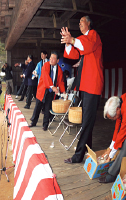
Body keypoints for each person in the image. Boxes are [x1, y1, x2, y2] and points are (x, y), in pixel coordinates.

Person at [61, 16, 104, 164]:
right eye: (78, 22)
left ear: (89, 23)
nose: (79, 23)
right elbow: (73, 54)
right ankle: (87, 148)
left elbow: (87, 46)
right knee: (87, 119)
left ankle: (78, 156)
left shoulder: (93, 35)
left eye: (82, 21)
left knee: (86, 121)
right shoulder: (81, 39)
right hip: (85, 84)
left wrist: (72, 40)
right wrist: (68, 43)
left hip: (93, 83)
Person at [29, 52, 66, 131]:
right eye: (51, 58)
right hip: (43, 89)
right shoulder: (45, 65)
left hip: (51, 92)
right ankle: (33, 122)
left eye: (53, 58)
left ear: (58, 60)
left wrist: (63, 92)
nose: (51, 60)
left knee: (47, 108)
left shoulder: (59, 70)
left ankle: (45, 124)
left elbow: (61, 82)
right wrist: (52, 87)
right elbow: (46, 77)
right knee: (38, 106)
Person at [98, 94, 126, 183]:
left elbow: (122, 133)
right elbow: (117, 129)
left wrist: (110, 156)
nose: (113, 119)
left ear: (117, 109)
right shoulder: (120, 102)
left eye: (113, 117)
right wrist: (109, 149)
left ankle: (112, 174)